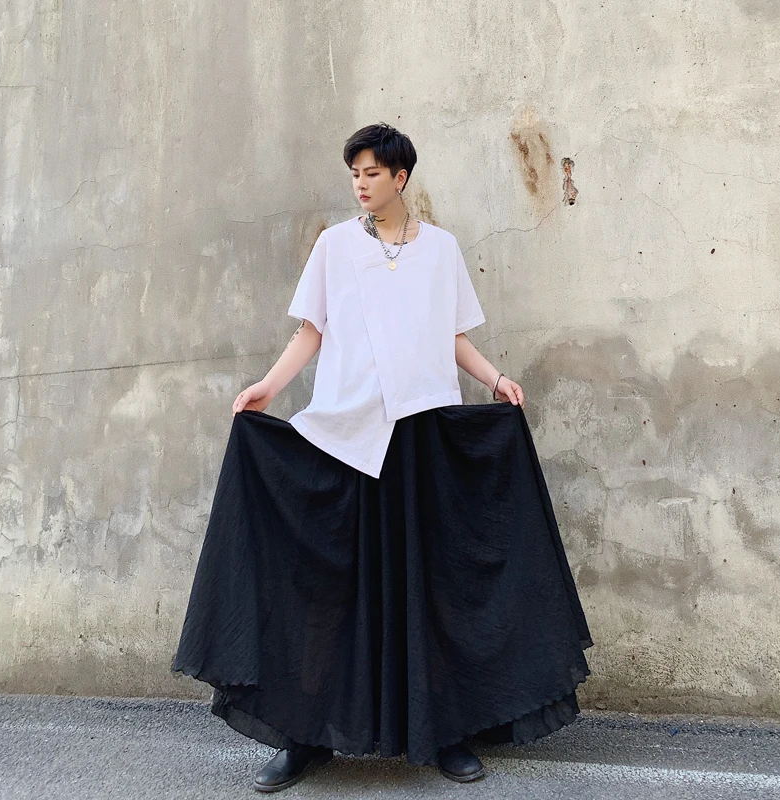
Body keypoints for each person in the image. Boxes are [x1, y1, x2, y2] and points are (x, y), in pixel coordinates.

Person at [171, 123, 594, 793]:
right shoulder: (335, 247)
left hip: (421, 435)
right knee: (325, 591)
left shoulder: (441, 250)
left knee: (432, 587)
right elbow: (311, 331)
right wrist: (268, 389)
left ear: (401, 178)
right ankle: (306, 736)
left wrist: (494, 378)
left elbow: (451, 335)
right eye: (355, 174)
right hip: (345, 434)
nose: (361, 184)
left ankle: (445, 732)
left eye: (372, 173)